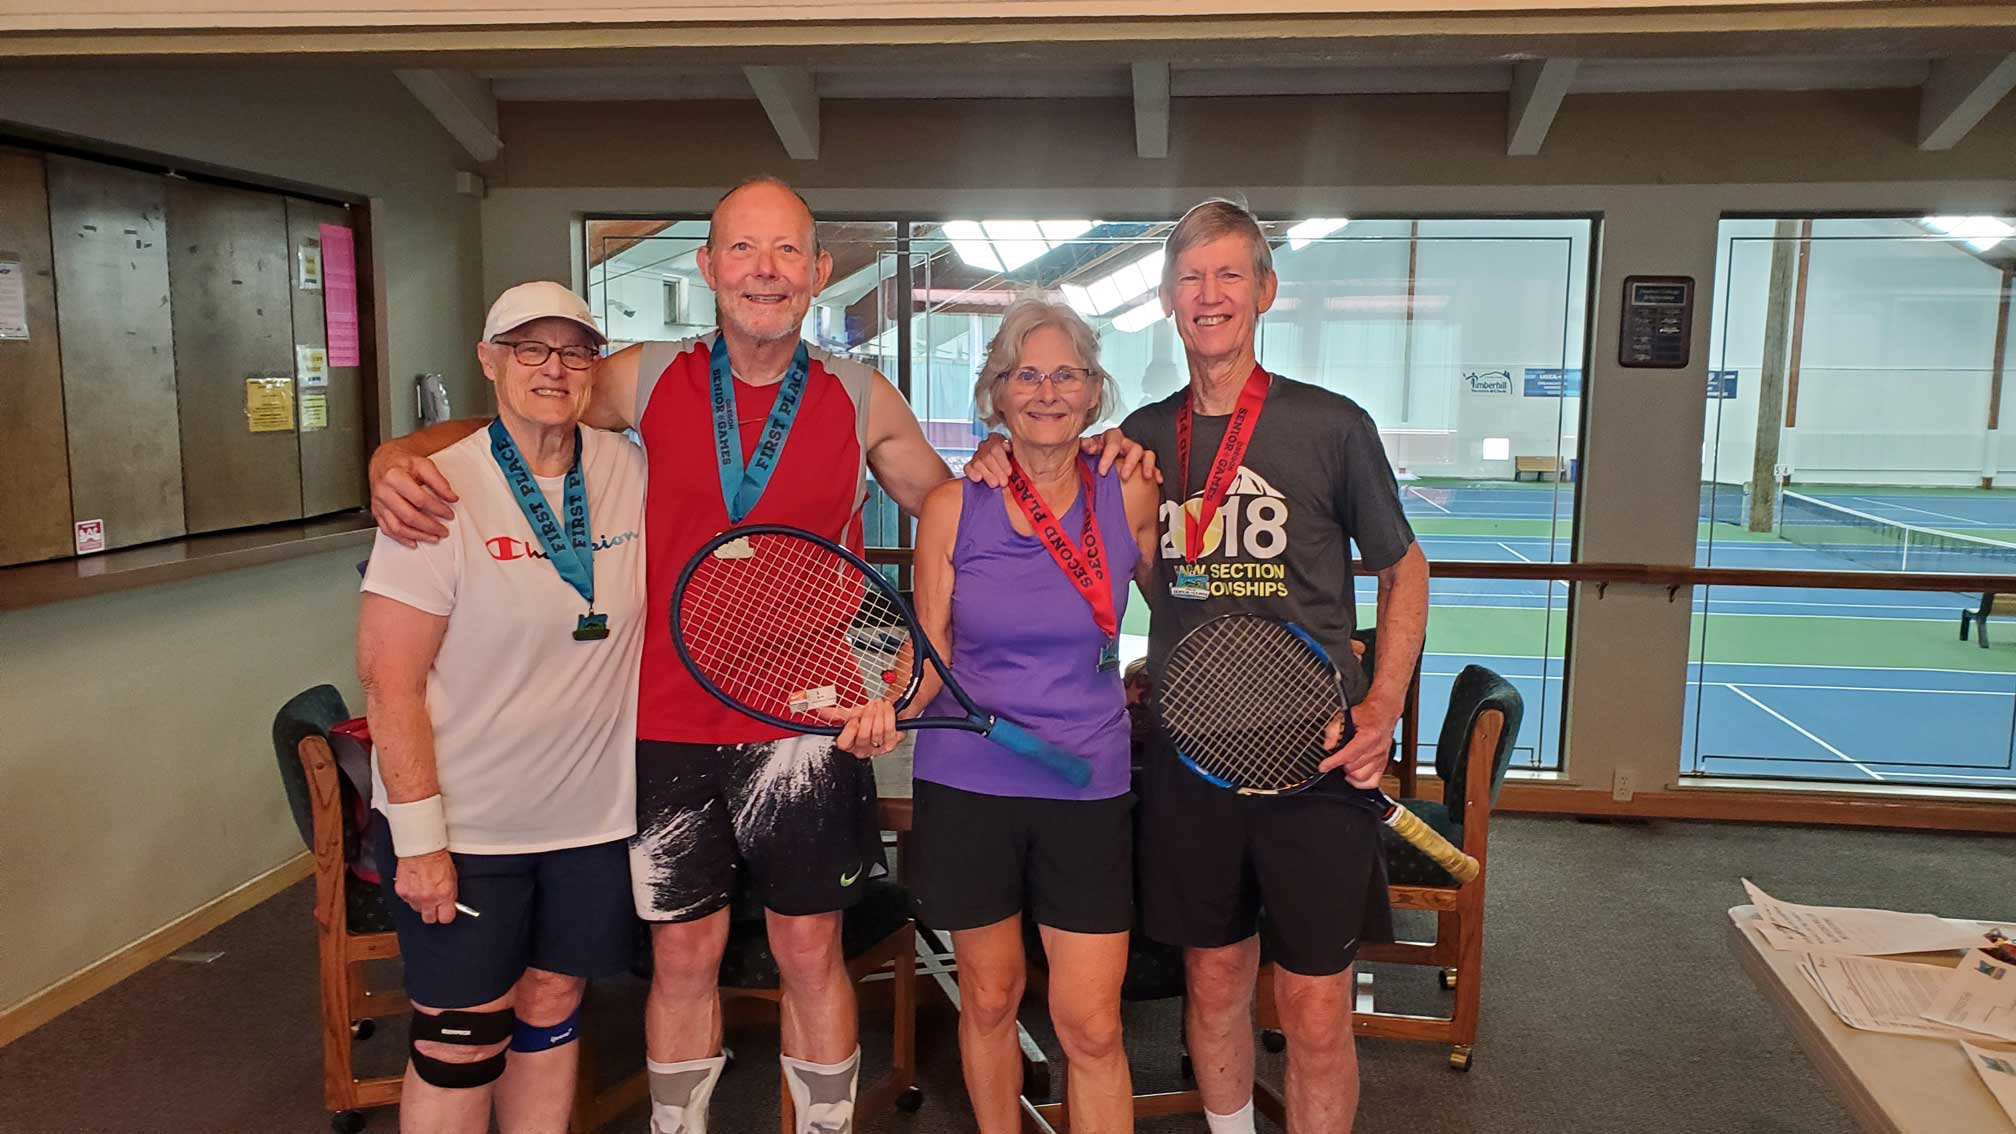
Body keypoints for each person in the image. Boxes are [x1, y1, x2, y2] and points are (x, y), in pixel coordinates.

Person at [365, 177, 1151, 1134]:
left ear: (819, 272)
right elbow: (516, 425)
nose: (764, 271)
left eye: (786, 252)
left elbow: (966, 518)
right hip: (668, 725)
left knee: (812, 950)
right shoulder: (645, 377)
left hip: (810, 728)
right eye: (742, 250)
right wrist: (395, 455)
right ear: (708, 268)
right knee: (684, 958)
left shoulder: (861, 395)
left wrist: (1029, 456)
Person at [1124, 200, 1431, 1134]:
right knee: (1214, 981)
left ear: (1263, 290)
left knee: (1313, 1006)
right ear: (1168, 298)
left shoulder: (1331, 426)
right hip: (1192, 763)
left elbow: (1404, 568)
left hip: (1317, 759)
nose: (1208, 295)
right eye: (1190, 277)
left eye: (1228, 275)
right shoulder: (1139, 436)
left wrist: (1380, 707)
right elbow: (1143, 572)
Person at [834, 299, 1159, 1133]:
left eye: (1066, 374)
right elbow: (929, 657)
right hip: (971, 785)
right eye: (1026, 374)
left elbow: (1180, 610)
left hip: (1087, 783)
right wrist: (889, 709)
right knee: (989, 998)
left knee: (1091, 1024)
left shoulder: (1128, 491)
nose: (1046, 392)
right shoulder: (952, 505)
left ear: (1093, 393)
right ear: (997, 394)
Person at [356, 282, 647, 1134]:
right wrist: (420, 843)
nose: (553, 369)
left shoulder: (631, 470)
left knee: (553, 1006)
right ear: (488, 362)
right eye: (529, 349)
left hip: (589, 821)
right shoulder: (432, 490)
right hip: (466, 826)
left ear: (596, 366)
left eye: (574, 351)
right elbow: (388, 682)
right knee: (461, 1034)